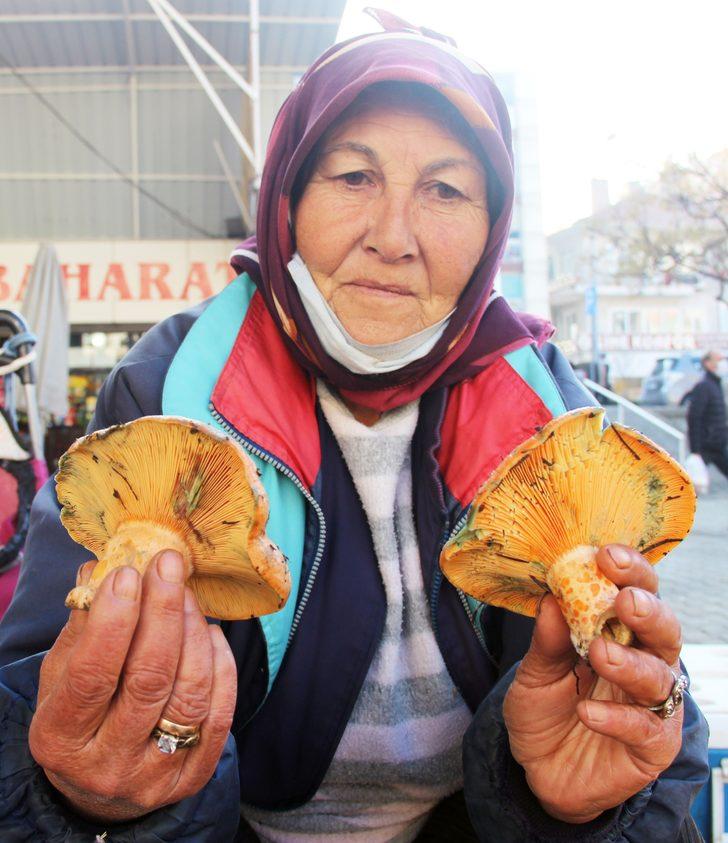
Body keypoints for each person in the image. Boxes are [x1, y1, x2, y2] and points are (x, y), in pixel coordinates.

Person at [0, 12, 708, 843]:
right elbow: (23, 711)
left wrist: (588, 812)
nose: (393, 238)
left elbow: (654, 724)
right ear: (286, 200)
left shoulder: (549, 407)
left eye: (445, 190)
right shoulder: (166, 389)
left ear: (493, 229)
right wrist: (86, 802)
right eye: (352, 176)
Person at [687, 350, 728, 478]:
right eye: (719, 360)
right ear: (707, 363)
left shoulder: (715, 385)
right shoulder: (704, 386)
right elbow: (694, 417)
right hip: (706, 445)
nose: (722, 364)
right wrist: (695, 450)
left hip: (718, 443)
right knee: (691, 482)